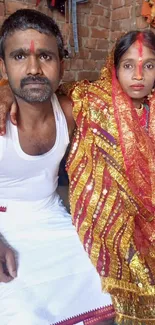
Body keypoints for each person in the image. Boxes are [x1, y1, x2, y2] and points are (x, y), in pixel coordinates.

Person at [1, 14, 155, 325]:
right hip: (4, 226)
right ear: (3, 67)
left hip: (52, 217)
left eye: (45, 56)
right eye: (20, 56)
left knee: (107, 284)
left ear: (62, 65)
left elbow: (126, 97)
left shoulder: (74, 109)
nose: (33, 68)